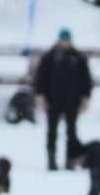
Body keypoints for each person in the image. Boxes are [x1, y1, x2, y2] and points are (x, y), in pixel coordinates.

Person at [33, 28, 93, 171]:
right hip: (53, 101)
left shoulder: (78, 58)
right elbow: (40, 79)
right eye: (63, 40)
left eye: (67, 40)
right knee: (52, 132)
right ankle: (51, 161)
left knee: (71, 133)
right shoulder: (49, 57)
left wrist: (85, 98)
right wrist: (40, 96)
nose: (65, 43)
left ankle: (70, 160)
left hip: (72, 101)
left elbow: (86, 80)